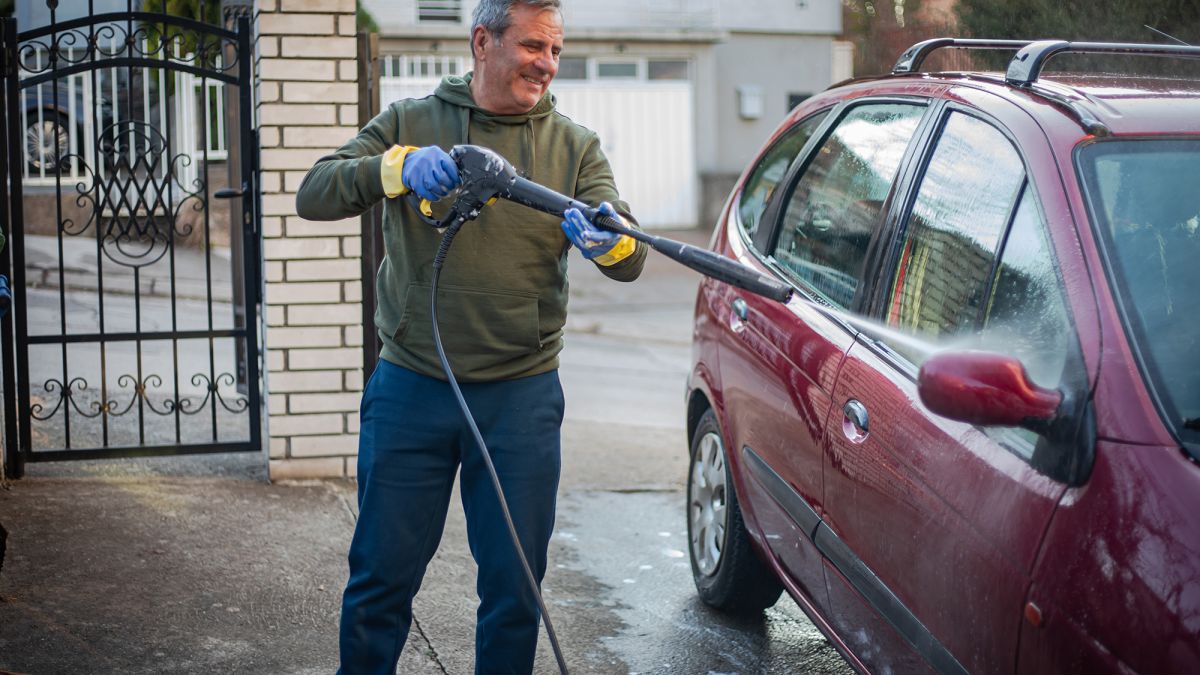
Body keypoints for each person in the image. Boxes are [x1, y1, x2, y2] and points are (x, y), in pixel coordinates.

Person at [295, 1, 647, 672]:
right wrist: (393, 168)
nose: (547, 63)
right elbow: (315, 192)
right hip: (411, 389)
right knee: (379, 581)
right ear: (483, 41)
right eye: (534, 45)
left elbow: (631, 258)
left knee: (515, 591)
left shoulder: (574, 147)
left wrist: (609, 244)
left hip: (521, 399)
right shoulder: (410, 120)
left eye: (556, 50)